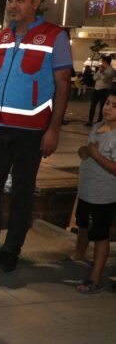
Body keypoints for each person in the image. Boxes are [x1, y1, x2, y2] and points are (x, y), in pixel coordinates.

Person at [0, 0, 72, 272]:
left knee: (22, 193)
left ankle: (11, 251)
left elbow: (63, 85)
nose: (13, 5)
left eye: (21, 0)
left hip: (31, 131)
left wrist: (53, 130)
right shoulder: (3, 36)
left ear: (36, 2)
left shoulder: (55, 36)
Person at [70, 88, 116, 294]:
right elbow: (89, 151)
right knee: (82, 225)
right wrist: (85, 151)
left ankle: (95, 277)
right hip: (87, 190)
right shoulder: (97, 127)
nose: (108, 108)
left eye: (115, 106)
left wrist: (96, 155)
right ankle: (77, 257)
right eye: (107, 103)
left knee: (100, 235)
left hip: (104, 195)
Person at [87, 56, 113, 126]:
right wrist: (100, 74)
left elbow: (105, 78)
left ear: (105, 62)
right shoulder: (100, 69)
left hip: (104, 90)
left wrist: (101, 74)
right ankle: (90, 120)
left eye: (103, 61)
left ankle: (99, 121)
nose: (102, 63)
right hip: (96, 89)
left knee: (102, 106)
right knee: (93, 105)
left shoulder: (110, 70)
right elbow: (94, 77)